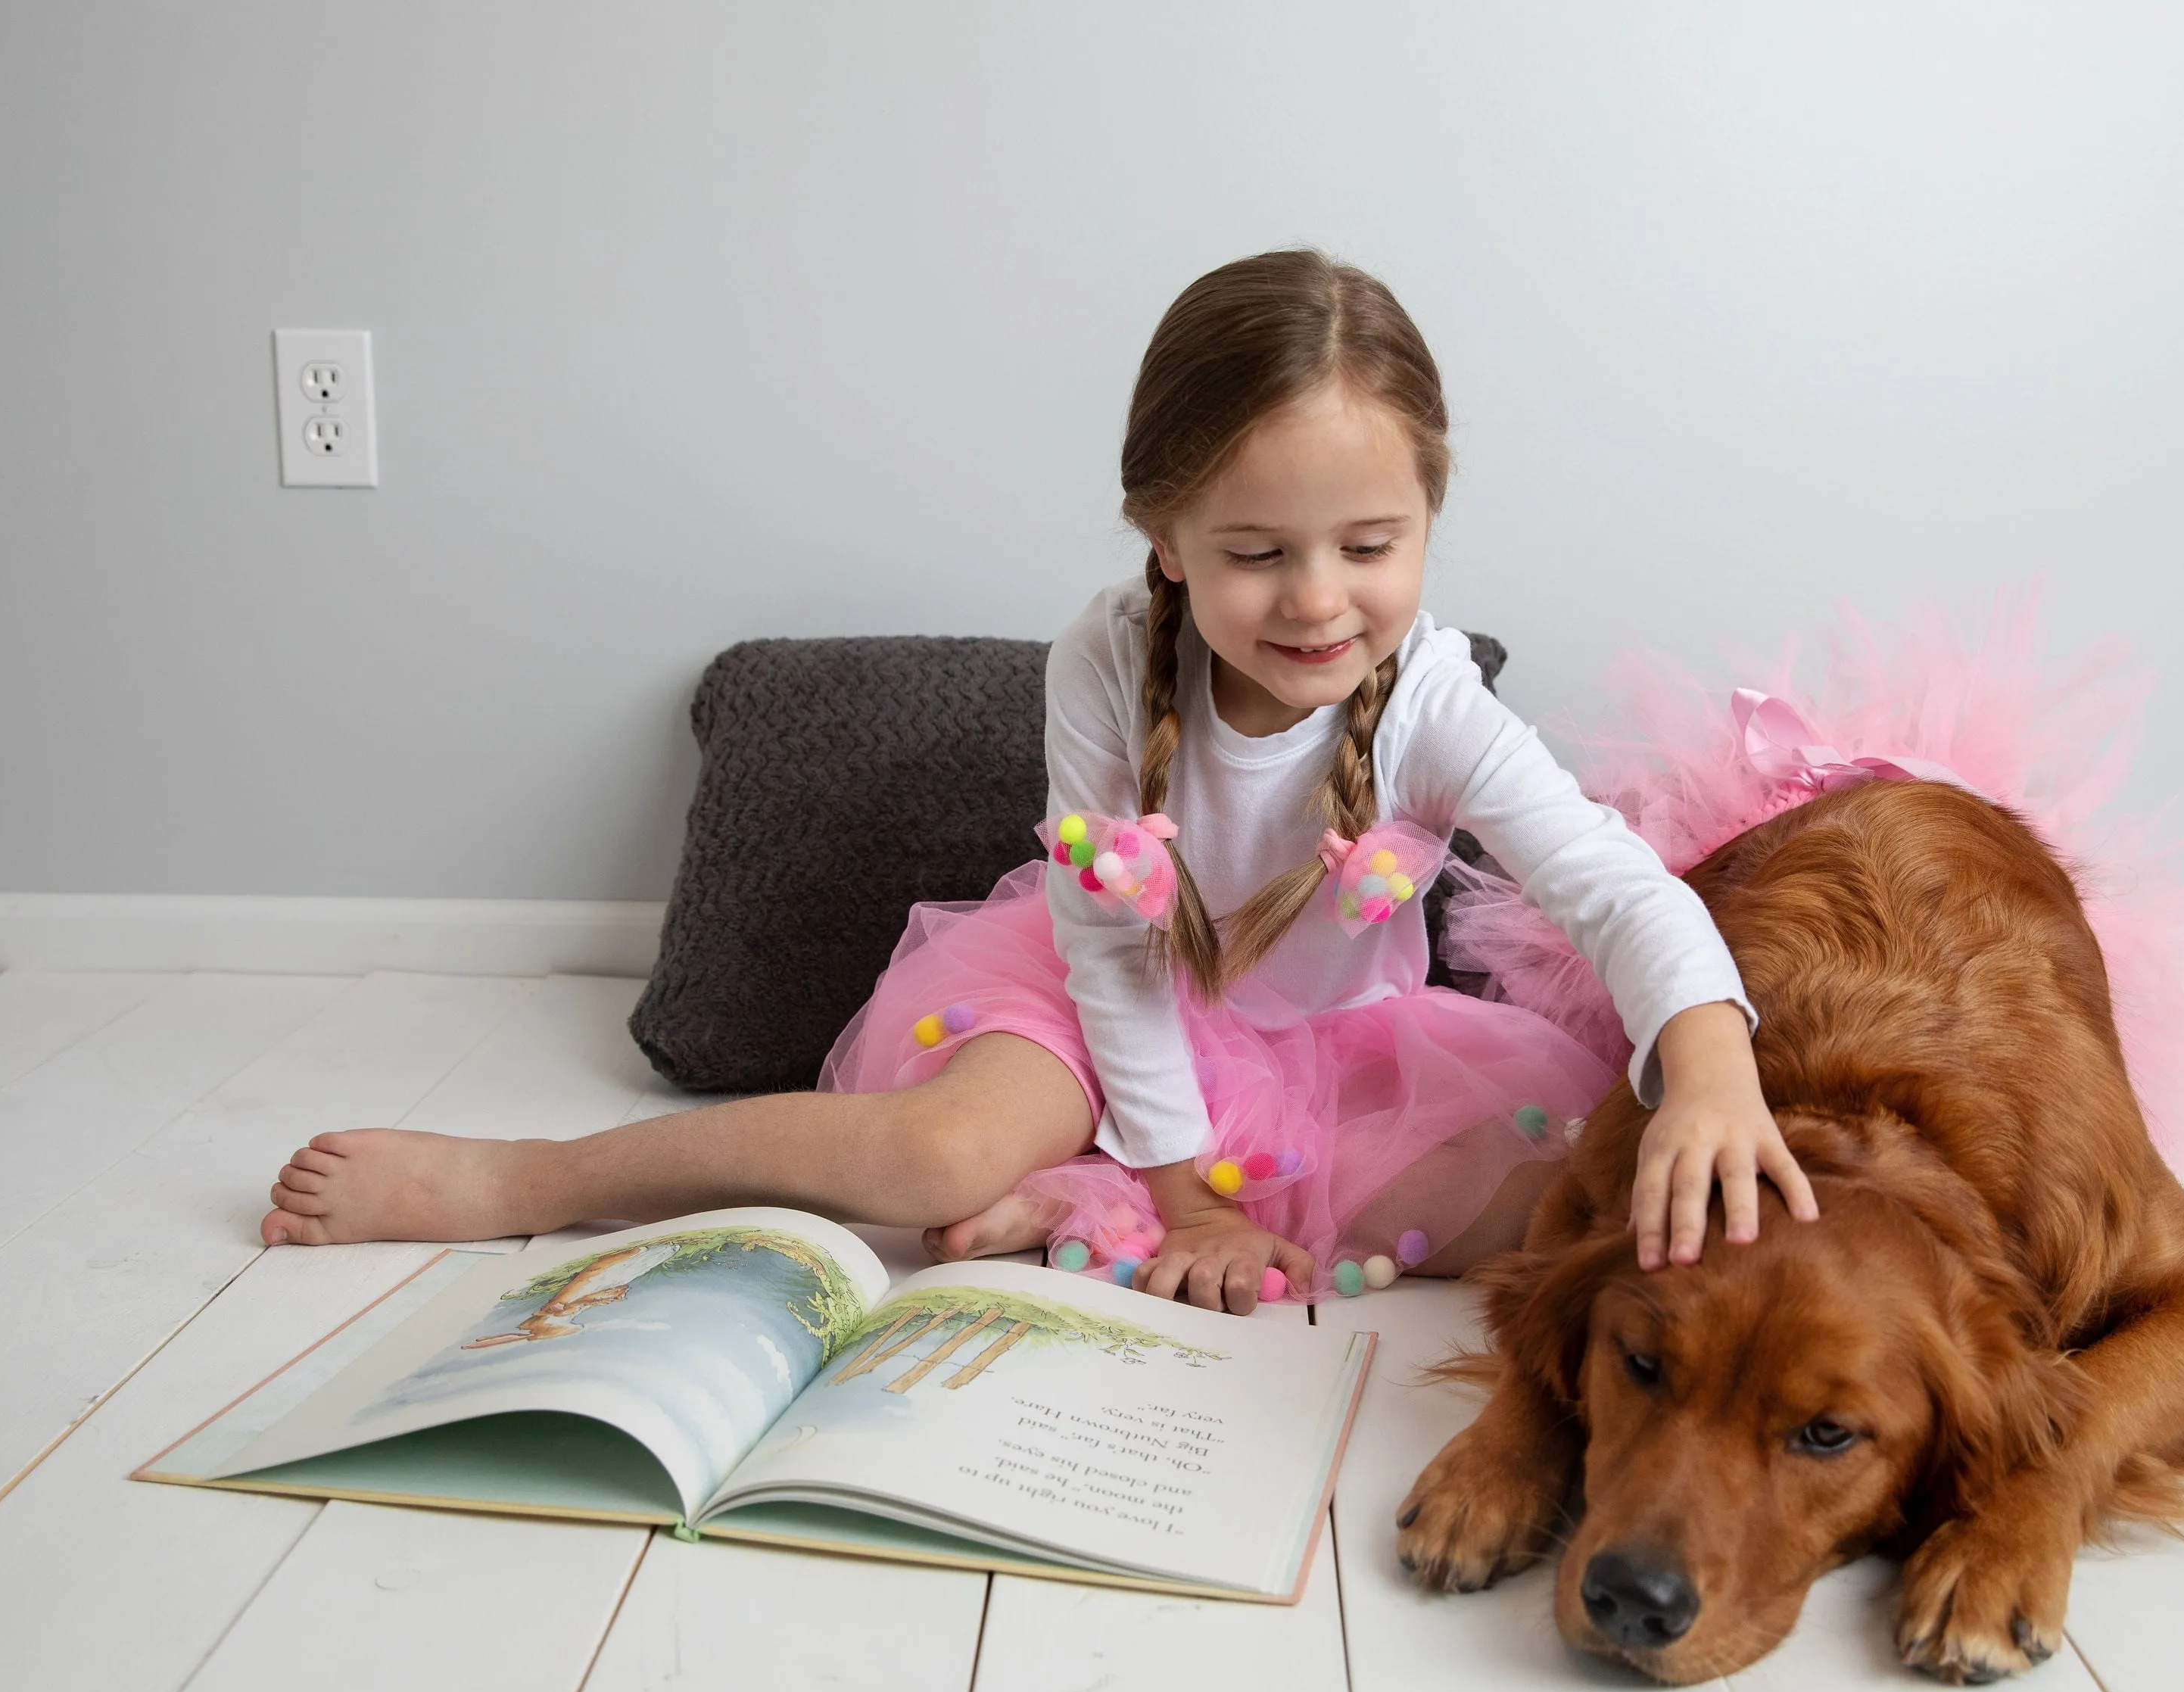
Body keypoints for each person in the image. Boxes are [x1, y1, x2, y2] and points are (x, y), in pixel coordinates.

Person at [264, 248, 1816, 1313]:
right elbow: (1109, 951)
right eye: (1258, 555)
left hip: (1334, 1053)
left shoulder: (1430, 706)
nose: (1320, 603)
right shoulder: (1103, 662)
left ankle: (1076, 1204)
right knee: (939, 1150)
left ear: (1428, 516)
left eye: (1371, 547)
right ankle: (529, 1179)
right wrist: (1190, 1189)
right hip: (1098, 1006)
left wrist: (1715, 1067)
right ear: (1163, 534)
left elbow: (1616, 889)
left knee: (1567, 1202)